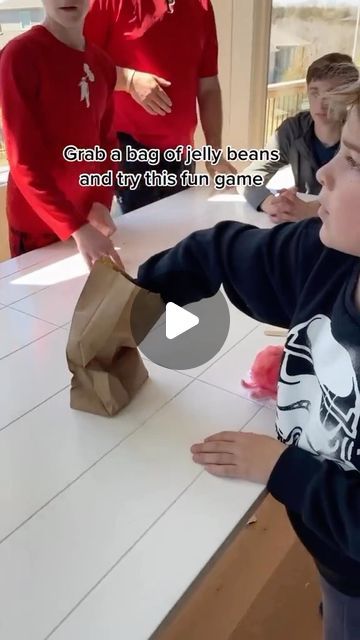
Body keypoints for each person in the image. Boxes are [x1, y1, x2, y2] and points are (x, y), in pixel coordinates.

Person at [136, 75, 360, 639]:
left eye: (354, 161)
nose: (326, 173)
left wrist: (279, 466)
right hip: (333, 550)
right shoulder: (331, 256)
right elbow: (228, 252)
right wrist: (142, 293)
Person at [0, 0, 123, 269]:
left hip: (89, 222)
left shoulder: (102, 63)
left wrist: (102, 201)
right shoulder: (20, 56)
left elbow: (107, 144)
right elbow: (22, 161)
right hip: (38, 229)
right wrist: (76, 228)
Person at [84, 0, 236, 213]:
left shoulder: (202, 5)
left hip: (181, 155)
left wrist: (214, 150)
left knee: (179, 236)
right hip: (129, 152)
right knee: (142, 242)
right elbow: (79, 63)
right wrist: (128, 80)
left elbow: (208, 86)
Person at [243, 52, 358, 224]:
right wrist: (270, 203)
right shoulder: (292, 129)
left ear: (350, 97)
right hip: (304, 228)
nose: (320, 104)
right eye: (314, 93)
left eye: (331, 94)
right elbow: (249, 176)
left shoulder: (356, 134)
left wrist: (311, 210)